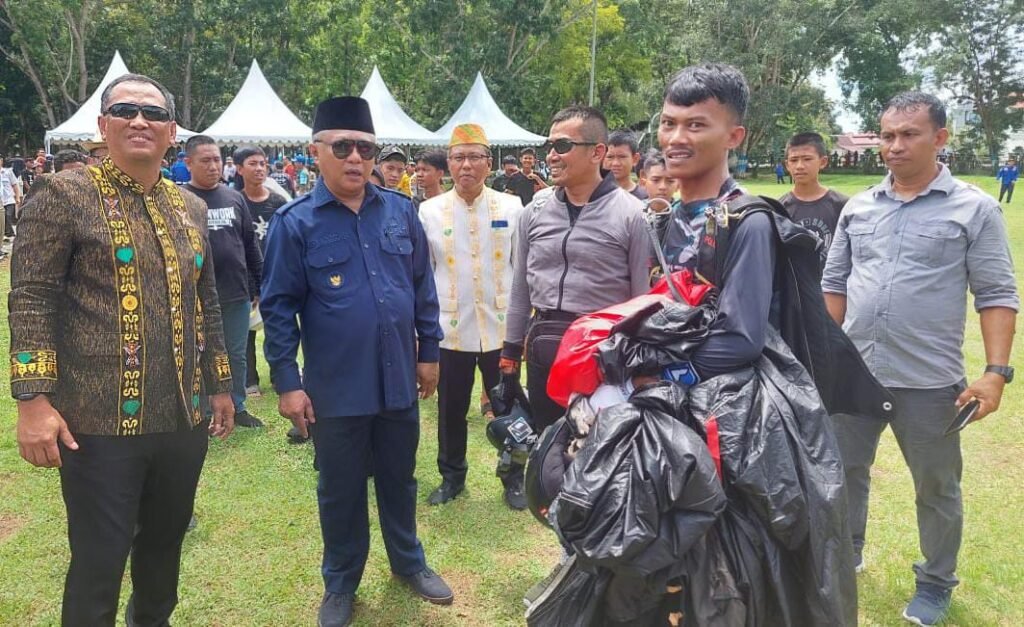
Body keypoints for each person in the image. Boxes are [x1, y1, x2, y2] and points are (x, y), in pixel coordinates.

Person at [9, 72, 234, 627]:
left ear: (172, 131)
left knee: (164, 552)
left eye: (153, 114)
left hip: (182, 419)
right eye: (126, 110)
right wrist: (33, 400)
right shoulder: (63, 195)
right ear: (103, 125)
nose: (140, 120)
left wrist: (222, 384)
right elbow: (31, 298)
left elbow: (205, 300)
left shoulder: (190, 208)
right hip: (97, 423)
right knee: (99, 562)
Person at [823, 92, 1019, 626]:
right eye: (887, 135)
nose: (895, 145)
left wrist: (996, 373)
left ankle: (934, 584)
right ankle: (847, 554)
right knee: (843, 475)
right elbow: (834, 285)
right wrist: (823, 355)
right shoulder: (858, 208)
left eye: (909, 134)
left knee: (936, 488)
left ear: (940, 138)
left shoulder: (974, 208)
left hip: (931, 383)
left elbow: (997, 294)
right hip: (854, 374)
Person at [260, 96, 453, 627]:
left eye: (364, 147)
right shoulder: (294, 223)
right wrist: (287, 383)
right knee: (340, 489)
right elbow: (278, 310)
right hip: (336, 388)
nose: (354, 158)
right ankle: (341, 583)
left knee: (400, 478)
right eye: (341, 146)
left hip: (398, 380)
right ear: (315, 152)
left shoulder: (399, 211)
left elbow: (422, 287)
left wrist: (429, 352)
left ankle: (408, 564)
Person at [500, 105, 652, 432]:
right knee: (545, 449)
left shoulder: (634, 215)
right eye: (549, 147)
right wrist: (510, 355)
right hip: (543, 348)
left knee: (596, 458)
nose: (551, 156)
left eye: (563, 146)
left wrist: (641, 370)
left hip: (602, 358)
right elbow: (520, 291)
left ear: (598, 152)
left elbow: (644, 301)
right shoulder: (534, 212)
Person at [418, 124, 524, 509]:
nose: (467, 166)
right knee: (451, 409)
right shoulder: (429, 212)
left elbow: (521, 269)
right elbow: (423, 276)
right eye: (459, 157)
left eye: (475, 157)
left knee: (509, 407)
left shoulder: (511, 207)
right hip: (451, 329)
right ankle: (452, 477)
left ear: (488, 162)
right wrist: (423, 332)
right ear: (448, 164)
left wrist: (523, 325)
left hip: (501, 329)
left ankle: (514, 477)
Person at [185, 135, 264, 429]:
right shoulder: (180, 199)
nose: (213, 165)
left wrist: (257, 284)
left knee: (237, 352)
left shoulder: (234, 198)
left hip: (235, 293)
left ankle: (238, 406)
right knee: (199, 353)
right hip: (195, 297)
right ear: (188, 163)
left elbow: (249, 244)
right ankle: (204, 411)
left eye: (217, 159)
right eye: (205, 160)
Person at [233, 147, 290, 411]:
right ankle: (249, 380)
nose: (259, 168)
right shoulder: (234, 201)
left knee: (279, 329)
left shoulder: (278, 203)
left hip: (277, 273)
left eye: (263, 164)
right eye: (252, 164)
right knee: (244, 331)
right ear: (239, 168)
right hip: (244, 276)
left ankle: (281, 376)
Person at [779, 131, 848, 267]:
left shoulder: (842, 205)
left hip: (831, 285)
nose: (799, 166)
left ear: (823, 162)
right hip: (796, 286)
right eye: (794, 160)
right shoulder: (780, 208)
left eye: (807, 159)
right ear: (787, 165)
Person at [604, 129, 649, 200]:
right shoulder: (594, 196)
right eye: (610, 157)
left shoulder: (644, 198)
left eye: (622, 157)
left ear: (635, 159)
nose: (615, 163)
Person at [1, 153, 22, 247]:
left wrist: (17, 197)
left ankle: (10, 234)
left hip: (9, 198)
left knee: (7, 215)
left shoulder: (7, 172)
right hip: (1, 200)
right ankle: (5, 235)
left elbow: (15, 185)